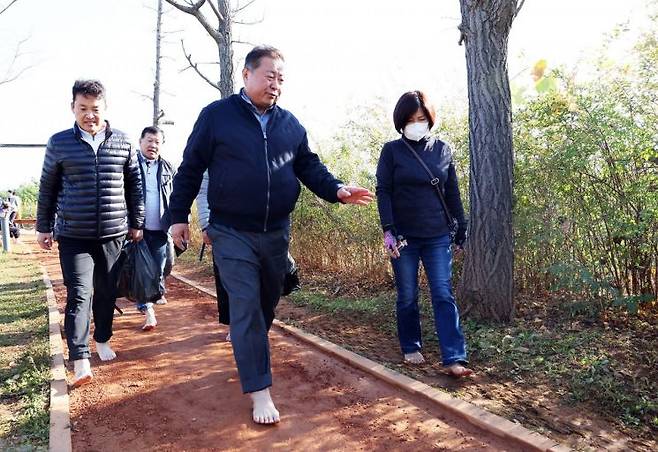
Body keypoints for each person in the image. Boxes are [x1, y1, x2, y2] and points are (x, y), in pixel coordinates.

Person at [169, 45, 373, 425]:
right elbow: (191, 167)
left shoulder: (290, 125)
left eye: (281, 78)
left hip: (276, 232)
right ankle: (260, 390)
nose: (276, 84)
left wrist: (338, 190)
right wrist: (178, 215)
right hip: (230, 230)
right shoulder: (217, 117)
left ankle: (250, 347)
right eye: (269, 76)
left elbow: (309, 166)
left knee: (265, 304)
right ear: (246, 75)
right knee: (245, 305)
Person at [36, 79, 144, 387]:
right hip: (74, 235)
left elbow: (134, 185)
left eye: (95, 109)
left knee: (107, 291)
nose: (89, 115)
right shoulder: (59, 142)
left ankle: (103, 338)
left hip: (113, 233)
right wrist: (43, 227)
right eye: (82, 108)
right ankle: (80, 358)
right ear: (72, 108)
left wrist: (136, 222)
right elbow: (48, 187)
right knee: (80, 293)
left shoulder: (123, 141)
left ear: (105, 108)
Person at [376, 90, 472, 378]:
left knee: (443, 293)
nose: (417, 123)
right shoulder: (391, 151)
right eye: (410, 119)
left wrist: (461, 227)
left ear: (430, 120)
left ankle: (454, 357)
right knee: (407, 294)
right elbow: (384, 191)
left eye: (422, 118)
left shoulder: (443, 150)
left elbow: (451, 192)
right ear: (401, 122)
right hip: (404, 236)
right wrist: (388, 230)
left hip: (437, 235)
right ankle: (410, 344)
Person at [135, 125, 176, 331]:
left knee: (160, 267)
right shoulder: (130, 165)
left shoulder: (168, 168)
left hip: (160, 228)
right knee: (142, 270)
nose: (153, 145)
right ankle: (147, 309)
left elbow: (176, 197)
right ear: (141, 142)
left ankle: (150, 297)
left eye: (157, 142)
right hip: (136, 229)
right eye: (149, 141)